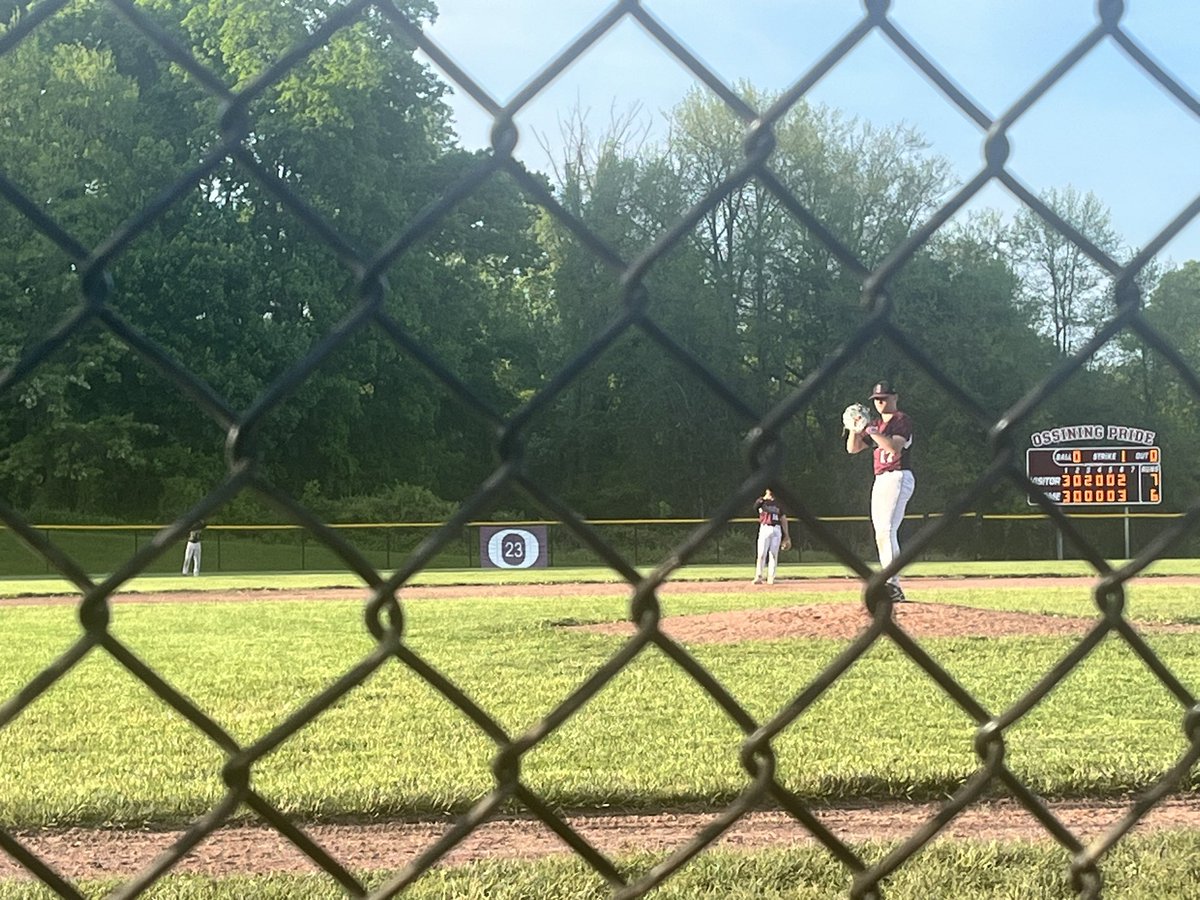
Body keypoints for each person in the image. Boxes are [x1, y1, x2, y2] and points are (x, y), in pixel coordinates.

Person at [845, 380, 914, 602]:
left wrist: (870, 430)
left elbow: (893, 448)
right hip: (881, 479)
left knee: (886, 530)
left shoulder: (901, 420)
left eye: (884, 398)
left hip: (898, 475)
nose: (880, 402)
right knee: (881, 532)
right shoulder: (874, 424)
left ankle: (893, 584)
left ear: (895, 397)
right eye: (876, 399)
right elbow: (852, 449)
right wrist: (855, 430)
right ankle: (891, 582)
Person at [752, 488, 791, 585]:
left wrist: (786, 535)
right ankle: (759, 576)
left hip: (776, 529)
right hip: (765, 527)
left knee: (773, 554)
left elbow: (783, 518)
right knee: (761, 554)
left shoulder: (779, 503)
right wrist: (765, 498)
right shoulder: (761, 501)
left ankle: (771, 578)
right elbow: (755, 507)